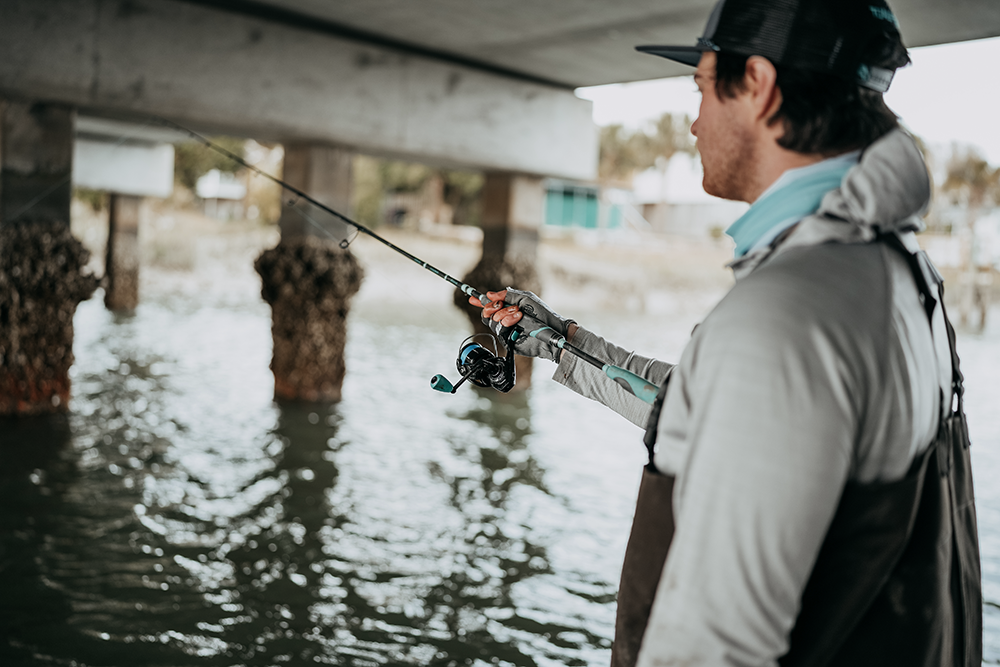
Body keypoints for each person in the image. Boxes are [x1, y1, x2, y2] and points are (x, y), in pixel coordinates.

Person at [469, 1, 982, 665]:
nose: (693, 120)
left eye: (704, 88)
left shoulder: (790, 309)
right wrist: (566, 342)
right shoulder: (902, 275)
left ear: (760, 86)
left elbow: (714, 646)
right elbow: (731, 422)